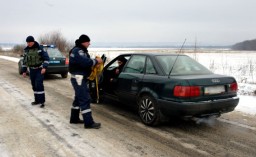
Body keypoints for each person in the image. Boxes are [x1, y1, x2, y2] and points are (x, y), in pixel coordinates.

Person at [69, 34, 103, 129]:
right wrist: (96, 61)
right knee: (85, 98)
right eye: (88, 42)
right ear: (83, 42)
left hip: (78, 77)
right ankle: (89, 123)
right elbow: (85, 62)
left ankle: (74, 118)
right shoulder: (78, 51)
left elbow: (84, 62)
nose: (89, 44)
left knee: (78, 98)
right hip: (79, 78)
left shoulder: (77, 50)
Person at [22, 36, 50, 108]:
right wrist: (24, 71)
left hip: (39, 69)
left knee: (39, 84)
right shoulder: (26, 50)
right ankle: (37, 100)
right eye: (27, 42)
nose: (28, 44)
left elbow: (46, 58)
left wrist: (44, 67)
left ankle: (42, 101)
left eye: (29, 42)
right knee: (34, 85)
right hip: (31, 70)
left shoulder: (40, 48)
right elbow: (24, 61)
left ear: (33, 41)